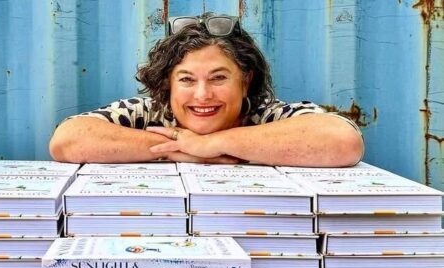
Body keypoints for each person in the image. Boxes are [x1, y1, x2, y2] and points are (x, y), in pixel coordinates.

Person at [49, 13, 364, 166]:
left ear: (246, 80)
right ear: (167, 83)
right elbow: (67, 140)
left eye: (218, 78)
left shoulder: (269, 114)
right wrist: (181, 149)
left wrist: (212, 144)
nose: (202, 95)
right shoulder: (147, 113)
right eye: (186, 79)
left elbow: (343, 141)